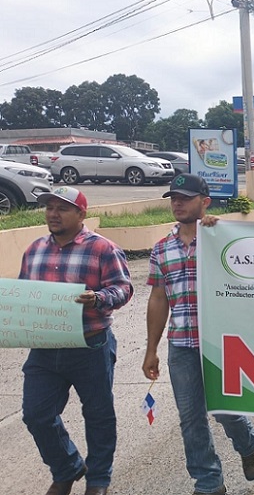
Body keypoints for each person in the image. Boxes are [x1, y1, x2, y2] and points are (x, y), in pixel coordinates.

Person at [143, 174, 254, 495]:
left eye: (185, 197)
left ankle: (248, 443)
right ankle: (209, 483)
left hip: (220, 344)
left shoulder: (221, 239)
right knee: (190, 419)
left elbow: (253, 275)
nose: (178, 203)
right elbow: (158, 298)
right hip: (181, 346)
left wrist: (222, 230)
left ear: (204, 202)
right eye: (173, 198)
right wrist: (150, 348)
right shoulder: (161, 249)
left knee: (225, 410)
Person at [20, 186, 133, 495]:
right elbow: (22, 294)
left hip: (90, 345)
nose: (53, 214)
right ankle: (67, 466)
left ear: (82, 214)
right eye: (49, 208)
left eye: (62, 208)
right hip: (45, 348)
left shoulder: (103, 249)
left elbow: (124, 288)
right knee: (36, 414)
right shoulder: (34, 250)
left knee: (98, 415)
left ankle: (98, 480)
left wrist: (98, 298)